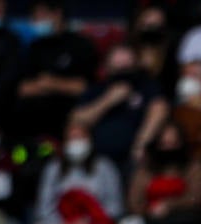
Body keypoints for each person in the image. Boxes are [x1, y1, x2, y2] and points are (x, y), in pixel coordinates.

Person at [69, 43, 169, 170]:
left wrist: (141, 144)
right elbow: (77, 120)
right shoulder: (97, 89)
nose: (123, 62)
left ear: (136, 61)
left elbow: (160, 109)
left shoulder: (147, 85)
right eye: (117, 58)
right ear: (106, 65)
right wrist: (108, 100)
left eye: (127, 57)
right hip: (98, 159)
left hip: (135, 157)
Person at [13, 0, 98, 142]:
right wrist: (54, 85)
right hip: (33, 122)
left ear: (57, 14)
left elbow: (83, 87)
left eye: (41, 16)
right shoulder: (35, 47)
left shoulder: (81, 45)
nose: (38, 21)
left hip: (66, 118)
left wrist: (50, 83)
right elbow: (23, 88)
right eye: (35, 18)